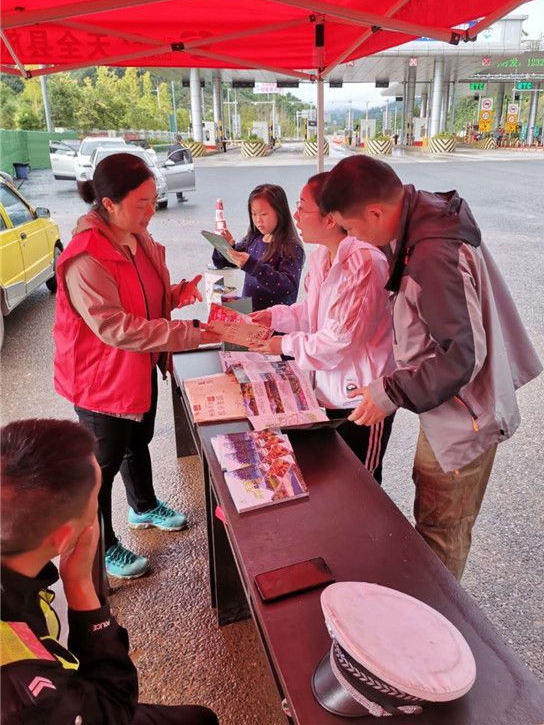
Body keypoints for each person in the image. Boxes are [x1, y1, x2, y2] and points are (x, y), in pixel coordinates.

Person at [321, 155, 542, 581]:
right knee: (433, 517)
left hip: (466, 418)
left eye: (351, 229)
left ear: (375, 213)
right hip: (450, 407)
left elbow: (461, 356)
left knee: (440, 530)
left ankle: (439, 615)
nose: (354, 239)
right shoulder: (422, 222)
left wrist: (391, 391)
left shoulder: (432, 253)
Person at [54, 152, 211, 580]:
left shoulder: (136, 235)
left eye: (153, 200)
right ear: (109, 203)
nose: (151, 210)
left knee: (137, 440)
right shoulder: (87, 255)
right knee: (100, 468)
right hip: (101, 379)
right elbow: (116, 326)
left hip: (140, 365)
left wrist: (176, 294)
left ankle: (143, 506)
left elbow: (142, 293)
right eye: (142, 202)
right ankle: (102, 547)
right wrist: (193, 332)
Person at [0, 418, 219, 725]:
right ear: (65, 537)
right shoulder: (24, 695)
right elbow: (114, 709)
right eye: (96, 500)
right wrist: (80, 586)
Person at [250, 173, 395, 483]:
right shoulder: (321, 258)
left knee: (362, 485)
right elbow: (312, 313)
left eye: (303, 208)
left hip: (360, 400)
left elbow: (339, 341)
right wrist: (274, 317)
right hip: (326, 391)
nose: (295, 216)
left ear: (331, 219)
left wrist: (282, 345)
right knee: (333, 481)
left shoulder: (364, 263)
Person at [211, 183, 304, 311]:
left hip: (272, 319)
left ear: (280, 212)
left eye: (264, 214)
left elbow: (288, 287)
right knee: (216, 294)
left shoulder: (291, 247)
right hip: (248, 314)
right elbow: (221, 263)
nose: (258, 220)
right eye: (254, 214)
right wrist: (226, 246)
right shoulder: (254, 238)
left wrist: (252, 265)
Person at [167, 134, 192, 202]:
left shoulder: (171, 147)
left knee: (176, 181)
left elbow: (168, 156)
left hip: (172, 165)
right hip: (179, 165)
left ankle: (179, 196)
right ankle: (179, 197)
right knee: (180, 181)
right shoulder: (181, 147)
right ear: (181, 140)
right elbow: (187, 157)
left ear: (175, 140)